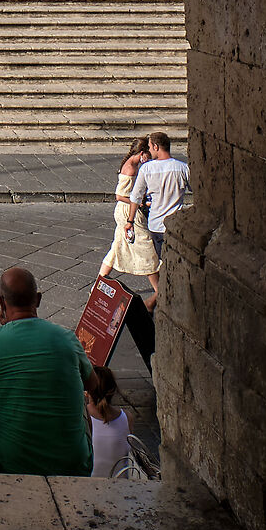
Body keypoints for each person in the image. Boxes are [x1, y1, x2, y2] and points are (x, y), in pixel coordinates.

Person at [0, 266, 96, 477]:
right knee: (82, 402)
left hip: (12, 465)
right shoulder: (66, 338)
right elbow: (93, 384)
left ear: (1, 301)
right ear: (38, 300)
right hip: (74, 465)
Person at [98, 137, 159, 366]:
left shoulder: (134, 164)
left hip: (124, 211)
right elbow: (119, 195)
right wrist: (140, 201)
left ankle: (100, 280)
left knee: (117, 246)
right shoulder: (132, 166)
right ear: (142, 152)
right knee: (145, 248)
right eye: (148, 155)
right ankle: (157, 292)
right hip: (126, 212)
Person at [129, 131, 190, 266]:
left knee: (163, 262)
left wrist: (130, 221)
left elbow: (136, 197)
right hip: (176, 223)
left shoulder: (147, 169)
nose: (149, 151)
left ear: (156, 147)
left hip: (156, 224)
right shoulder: (182, 168)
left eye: (150, 147)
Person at [87, 364, 132, 478]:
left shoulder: (82, 416)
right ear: (113, 389)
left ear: (87, 392)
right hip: (120, 485)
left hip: (90, 484)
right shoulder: (127, 417)